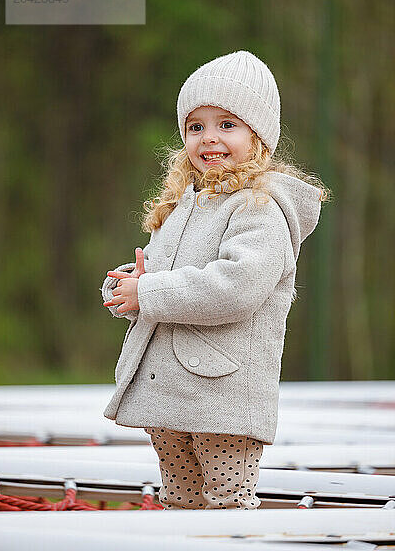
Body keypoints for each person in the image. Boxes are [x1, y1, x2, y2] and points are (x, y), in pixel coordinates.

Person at [100, 50, 329, 510]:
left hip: (222, 396)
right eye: (195, 126)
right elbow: (160, 277)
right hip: (168, 392)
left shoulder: (260, 208)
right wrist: (128, 284)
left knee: (227, 504)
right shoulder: (184, 204)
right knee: (179, 503)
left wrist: (147, 292)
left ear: (258, 134)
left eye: (228, 124)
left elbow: (234, 288)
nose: (210, 138)